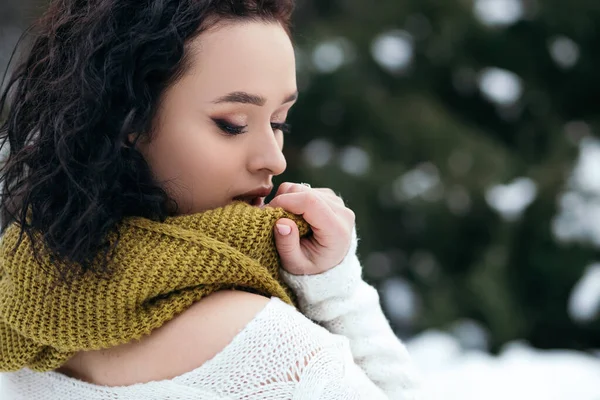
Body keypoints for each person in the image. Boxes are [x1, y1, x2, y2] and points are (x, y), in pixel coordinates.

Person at [0, 0, 421, 398]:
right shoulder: (280, 354)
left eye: (279, 123)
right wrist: (338, 291)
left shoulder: (19, 311)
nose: (273, 160)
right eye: (232, 124)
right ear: (128, 119)